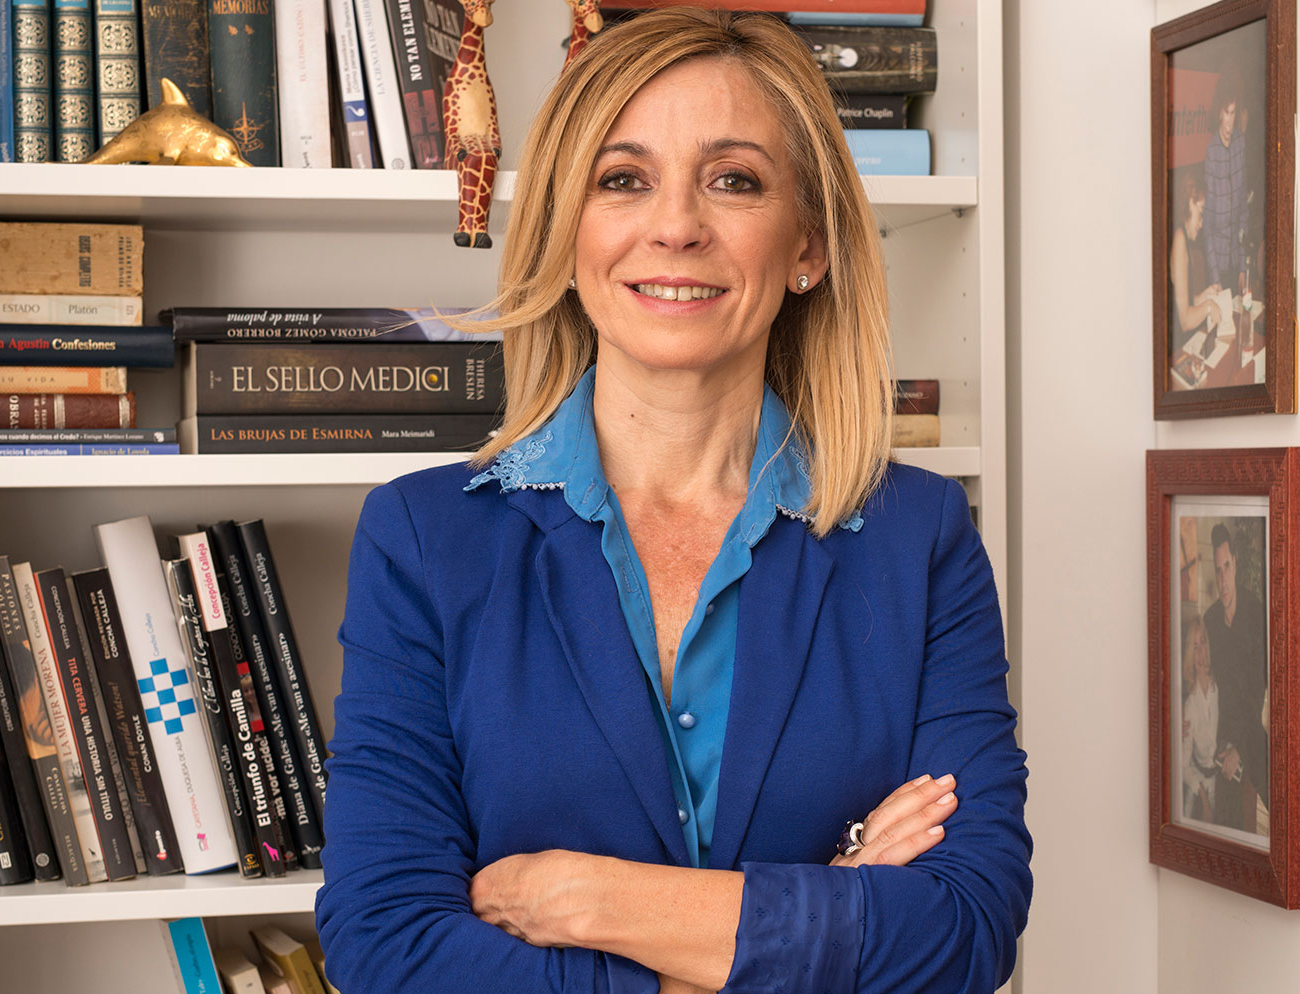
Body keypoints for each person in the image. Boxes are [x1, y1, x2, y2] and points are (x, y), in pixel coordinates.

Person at [312, 9, 1032, 994]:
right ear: (567, 233)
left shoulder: (919, 538)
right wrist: (823, 911)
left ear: (809, 243)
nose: (677, 225)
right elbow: (387, 947)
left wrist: (589, 898)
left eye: (734, 180)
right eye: (623, 179)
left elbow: (966, 929)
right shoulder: (424, 539)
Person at [1203, 522, 1268, 834]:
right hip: (1223, 737)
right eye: (1217, 570)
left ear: (1236, 563)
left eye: (1226, 566)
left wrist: (1238, 748)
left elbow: (1257, 692)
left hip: (1252, 732)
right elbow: (1210, 684)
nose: (1222, 578)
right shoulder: (1211, 620)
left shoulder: (1256, 612)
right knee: (1226, 826)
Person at [1202, 78, 1250, 300]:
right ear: (1219, 114)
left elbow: (1243, 210)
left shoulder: (1240, 144)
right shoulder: (1211, 153)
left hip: (1235, 259)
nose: (1229, 122)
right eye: (1226, 113)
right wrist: (1214, 278)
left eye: (1233, 113)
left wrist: (1242, 265)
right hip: (1217, 265)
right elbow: (1207, 224)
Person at [1168, 171, 1223, 363]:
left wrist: (1204, 296)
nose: (1201, 223)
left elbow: (1181, 302)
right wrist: (1208, 306)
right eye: (1201, 211)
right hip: (1176, 352)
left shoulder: (1181, 236)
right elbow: (1184, 321)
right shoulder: (1180, 240)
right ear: (1190, 203)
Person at [1180, 620, 1219, 822]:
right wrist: (1202, 795)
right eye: (1194, 647)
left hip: (1223, 782)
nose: (1201, 651)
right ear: (1190, 656)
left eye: (1203, 641)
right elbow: (1183, 766)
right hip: (1198, 787)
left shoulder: (1220, 688)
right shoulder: (1189, 706)